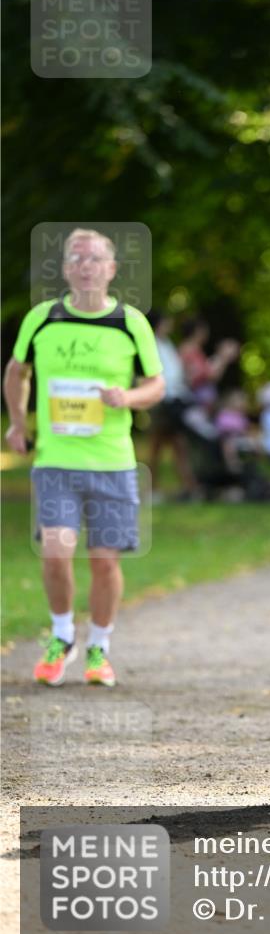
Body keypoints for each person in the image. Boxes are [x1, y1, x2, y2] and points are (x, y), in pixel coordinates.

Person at [3, 228, 164, 687]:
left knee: (104, 561)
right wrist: (17, 422)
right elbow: (17, 371)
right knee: (55, 552)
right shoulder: (43, 318)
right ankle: (61, 636)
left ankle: (99, 645)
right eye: (77, 258)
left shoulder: (130, 321)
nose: (86, 265)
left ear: (111, 269)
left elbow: (157, 385)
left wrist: (126, 396)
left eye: (95, 258)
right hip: (56, 460)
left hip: (112, 461)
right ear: (67, 269)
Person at [147, 309, 201, 502]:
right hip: (162, 400)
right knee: (158, 446)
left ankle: (189, 487)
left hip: (175, 399)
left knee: (178, 445)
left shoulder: (167, 343)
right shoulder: (151, 343)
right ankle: (153, 489)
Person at [179, 317, 240, 407]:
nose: (208, 333)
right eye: (205, 330)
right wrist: (223, 357)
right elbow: (206, 374)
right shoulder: (189, 349)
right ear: (198, 331)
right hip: (193, 396)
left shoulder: (194, 349)